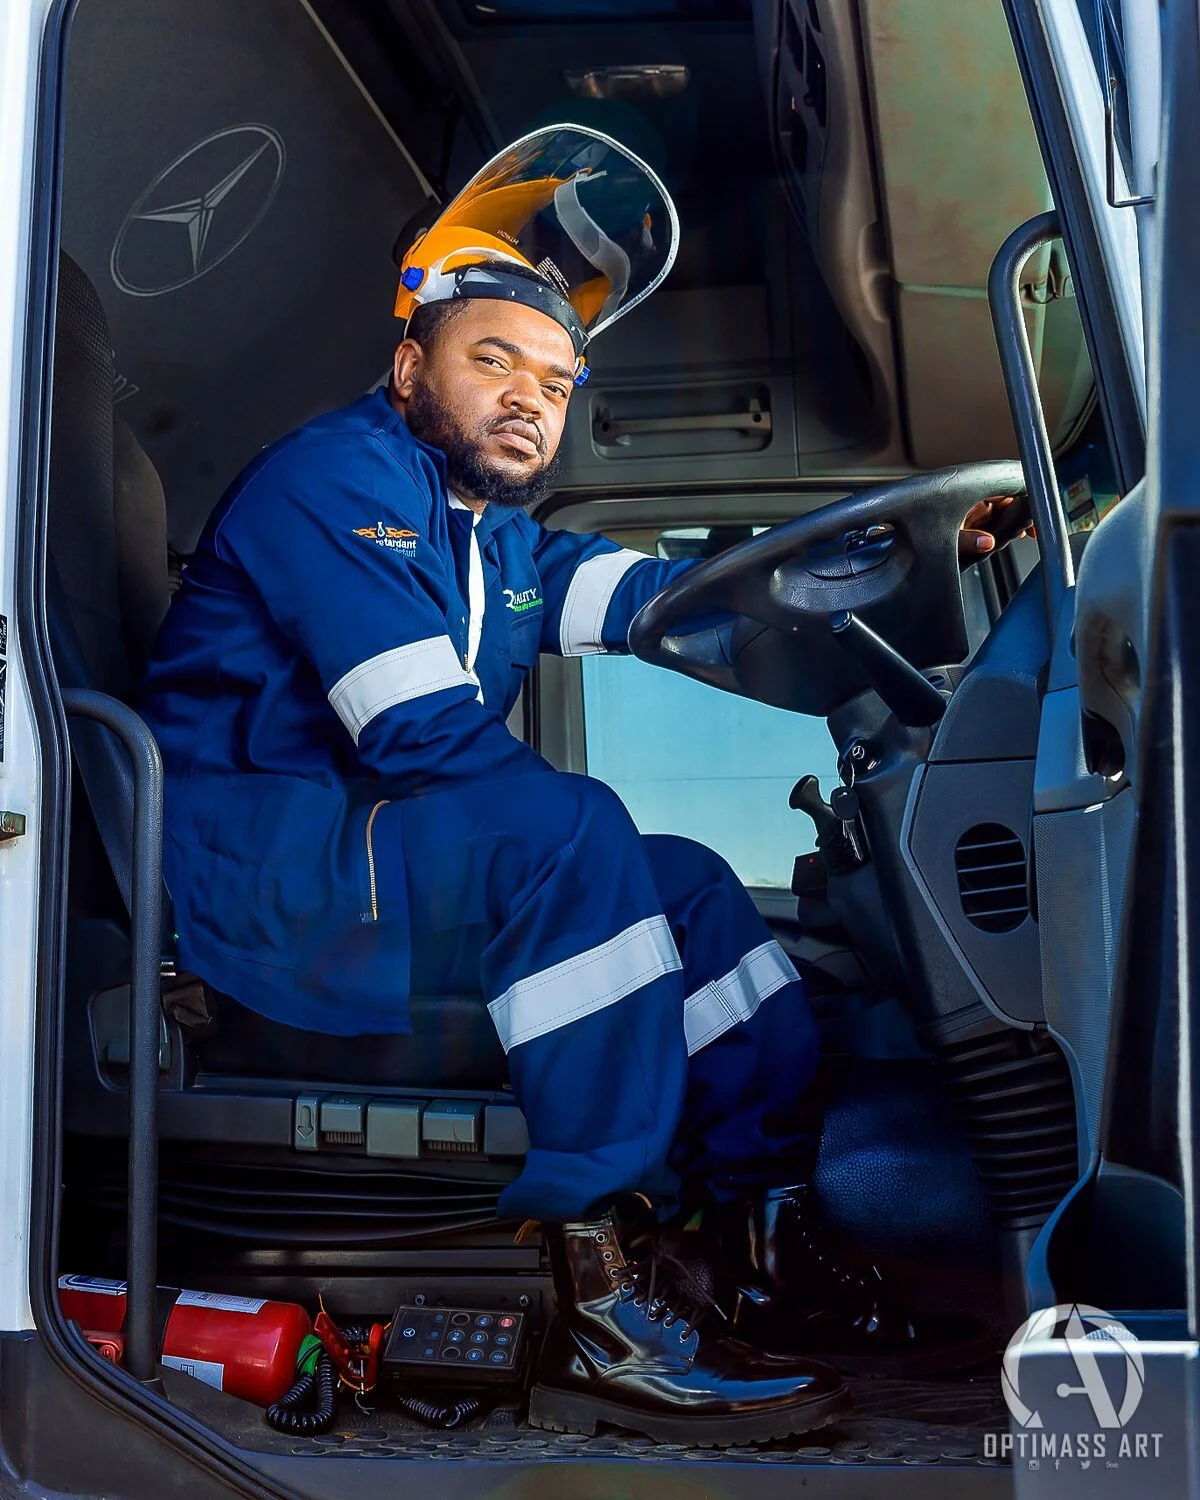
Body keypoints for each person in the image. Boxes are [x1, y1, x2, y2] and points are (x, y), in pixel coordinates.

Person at [140, 126, 1021, 1444]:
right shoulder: (335, 483)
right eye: (492, 358)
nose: (528, 400)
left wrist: (904, 558)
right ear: (406, 367)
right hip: (264, 875)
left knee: (696, 890)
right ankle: (599, 1295)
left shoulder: (500, 539)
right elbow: (423, 737)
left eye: (553, 383)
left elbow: (681, 602)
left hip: (377, 858)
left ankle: (758, 1248)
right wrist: (566, 858)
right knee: (573, 831)